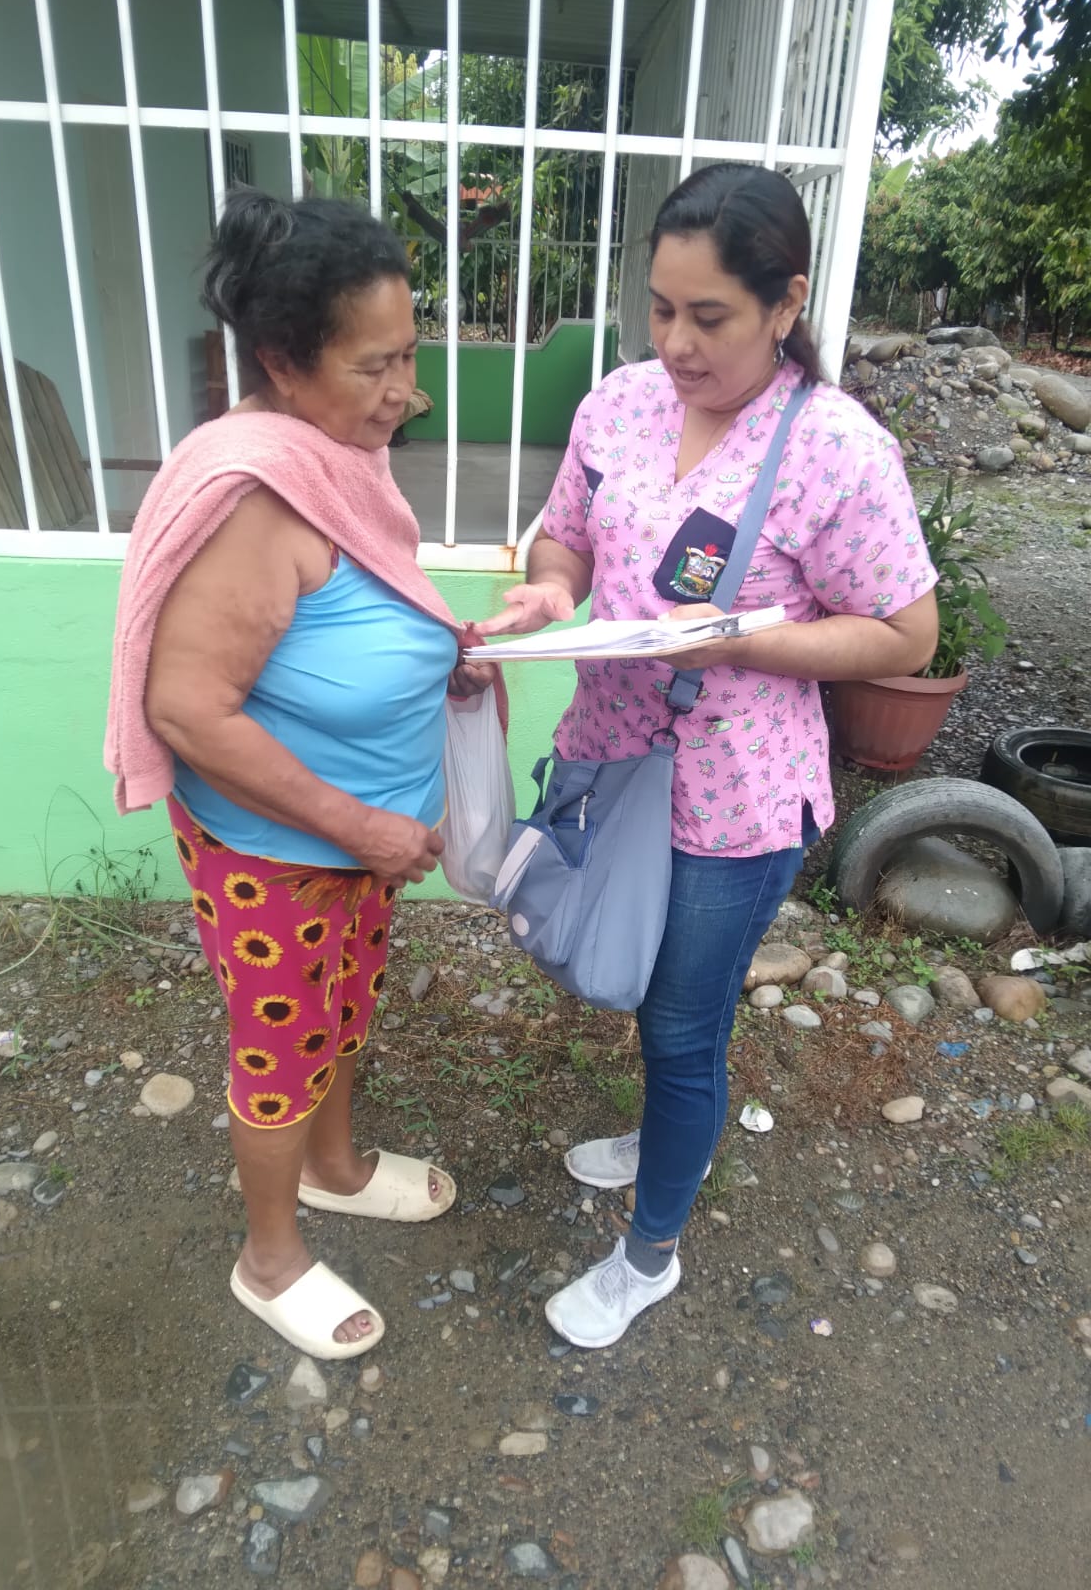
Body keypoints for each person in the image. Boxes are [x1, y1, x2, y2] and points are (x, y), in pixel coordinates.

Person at [475, 164, 939, 1349]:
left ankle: (649, 1253)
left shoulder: (836, 448)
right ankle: (658, 1135)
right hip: (611, 757)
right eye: (661, 309)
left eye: (711, 317)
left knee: (685, 1024)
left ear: (786, 304)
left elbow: (906, 634)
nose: (676, 344)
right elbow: (565, 539)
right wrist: (549, 591)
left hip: (736, 798)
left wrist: (743, 636)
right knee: (643, 984)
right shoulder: (620, 404)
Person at [105, 190, 492, 1359]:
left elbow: (362, 604)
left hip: (362, 838)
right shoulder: (256, 499)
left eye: (410, 354)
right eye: (376, 365)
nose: (408, 391)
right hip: (276, 848)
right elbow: (187, 706)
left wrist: (445, 653)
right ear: (283, 360)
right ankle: (268, 1258)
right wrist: (357, 825)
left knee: (345, 1006)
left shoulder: (335, 458)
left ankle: (336, 1167)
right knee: (281, 1046)